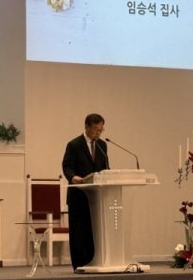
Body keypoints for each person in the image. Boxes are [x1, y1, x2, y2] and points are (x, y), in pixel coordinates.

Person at [62, 113, 108, 272]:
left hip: (96, 197)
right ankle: (79, 265)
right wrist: (72, 177)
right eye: (95, 129)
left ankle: (93, 262)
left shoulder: (102, 145)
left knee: (93, 232)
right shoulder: (74, 144)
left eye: (101, 130)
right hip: (79, 195)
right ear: (87, 127)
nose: (98, 133)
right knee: (79, 232)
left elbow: (105, 167)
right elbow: (67, 166)